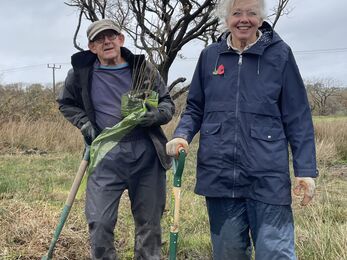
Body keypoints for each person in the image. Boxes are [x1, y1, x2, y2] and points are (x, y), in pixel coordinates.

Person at [166, 0, 318, 259]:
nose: (244, 19)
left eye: (252, 13)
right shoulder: (209, 56)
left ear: (261, 19)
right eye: (237, 13)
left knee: (276, 253)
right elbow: (195, 108)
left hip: (267, 175)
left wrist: (305, 170)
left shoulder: (280, 54)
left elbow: (298, 116)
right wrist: (182, 134)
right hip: (219, 174)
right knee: (228, 253)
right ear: (226, 19)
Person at [57, 19, 175, 259]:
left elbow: (167, 104)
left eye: (111, 36)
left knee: (149, 225)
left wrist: (154, 115)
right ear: (91, 47)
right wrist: (85, 124)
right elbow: (66, 103)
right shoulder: (80, 73)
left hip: (146, 154)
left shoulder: (144, 69)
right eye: (99, 39)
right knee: (99, 223)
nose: (107, 41)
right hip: (105, 154)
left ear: (121, 39)